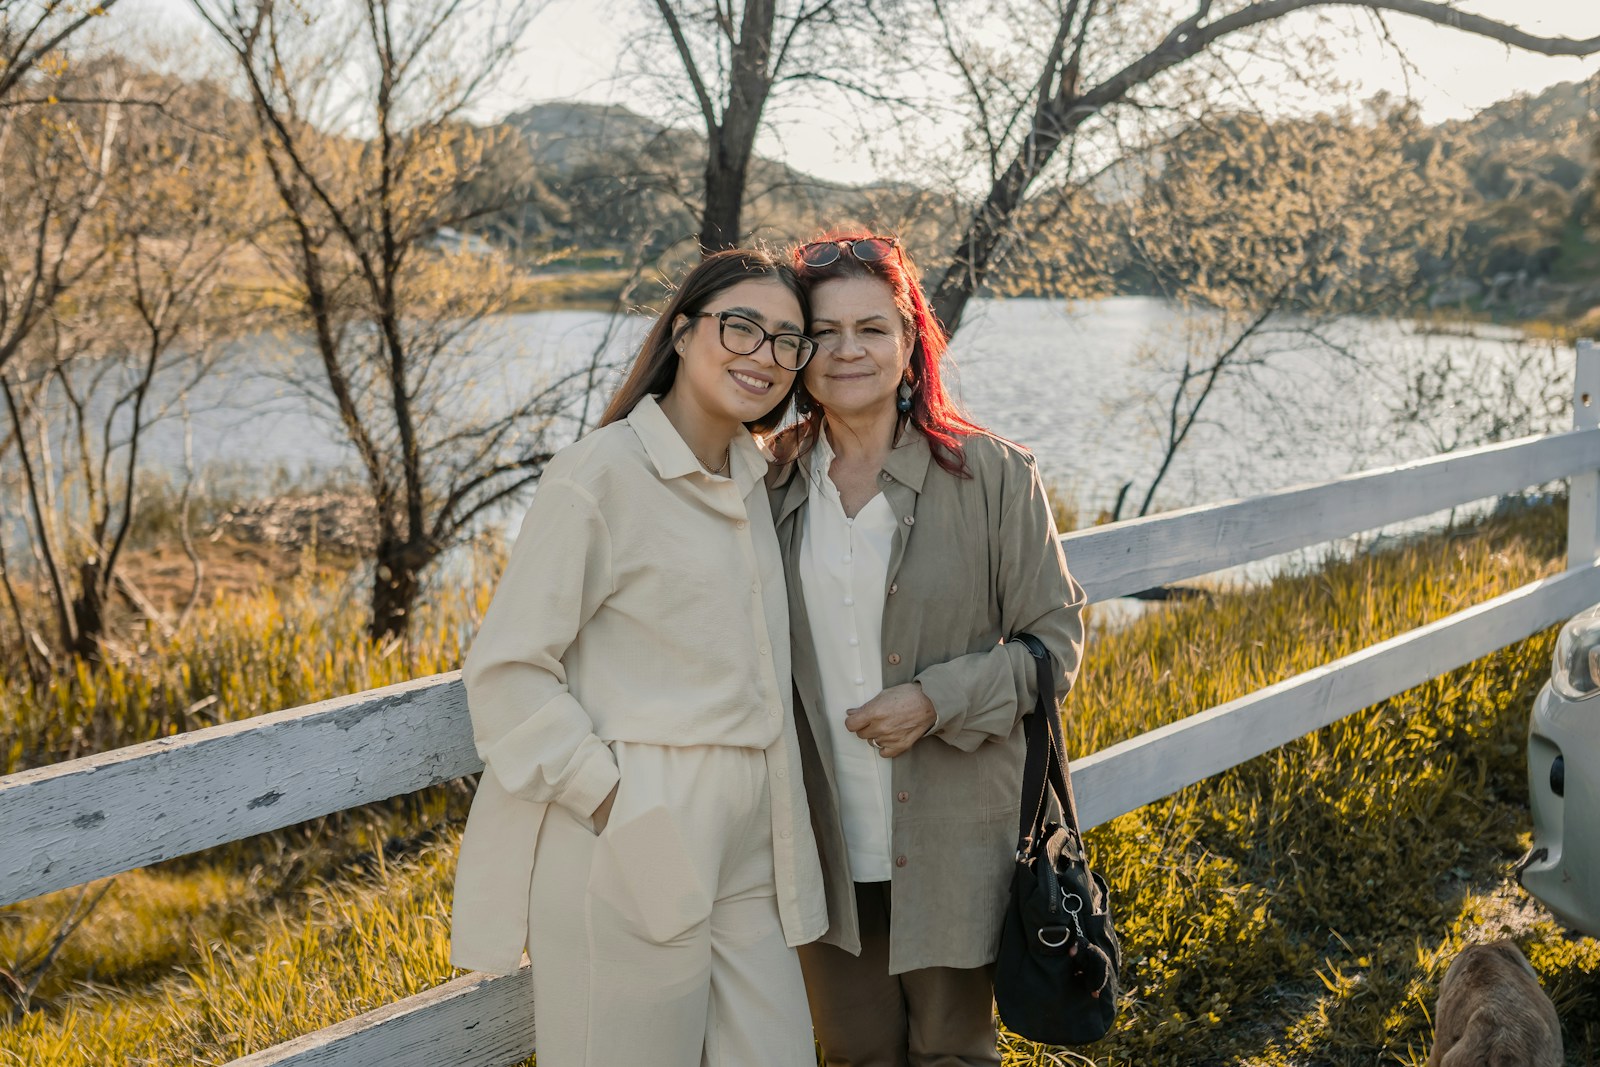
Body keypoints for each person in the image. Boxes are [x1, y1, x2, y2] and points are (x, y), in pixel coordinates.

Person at [449, 247, 828, 1067]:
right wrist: (616, 806)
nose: (763, 355)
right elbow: (508, 672)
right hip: (635, 818)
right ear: (685, 333)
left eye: (787, 341)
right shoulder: (600, 474)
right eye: (742, 327)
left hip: (755, 836)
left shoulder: (756, 476)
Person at [768, 232, 1087, 1065]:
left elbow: (1056, 643)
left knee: (954, 1052)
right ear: (797, 353)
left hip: (955, 838)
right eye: (823, 331)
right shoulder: (763, 484)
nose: (848, 351)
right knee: (855, 1055)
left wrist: (934, 700)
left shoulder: (994, 476)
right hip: (823, 841)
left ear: (911, 340)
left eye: (871, 328)